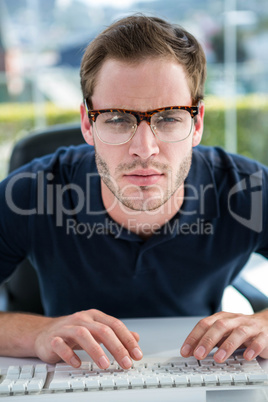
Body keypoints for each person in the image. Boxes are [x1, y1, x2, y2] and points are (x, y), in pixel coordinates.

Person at [0, 15, 268, 372]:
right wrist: (35, 334)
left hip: (204, 373)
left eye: (170, 118)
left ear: (197, 123)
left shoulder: (247, 189)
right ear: (87, 124)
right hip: (73, 375)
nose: (144, 148)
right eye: (116, 119)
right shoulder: (33, 191)